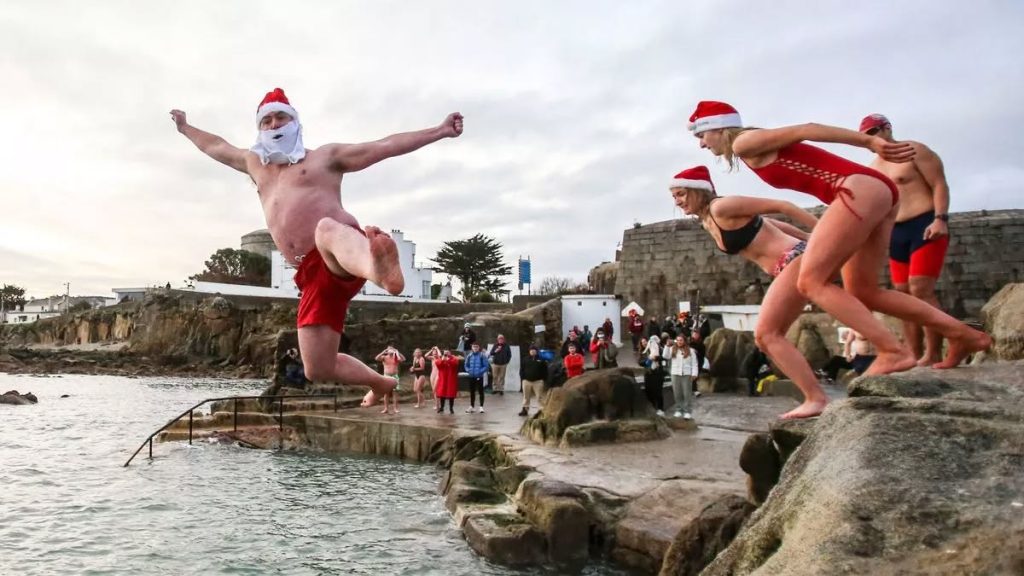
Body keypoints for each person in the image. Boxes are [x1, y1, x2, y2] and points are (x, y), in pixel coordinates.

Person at [171, 88, 463, 404]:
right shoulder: (254, 164)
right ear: (259, 128)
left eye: (280, 117)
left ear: (294, 121)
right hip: (310, 276)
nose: (273, 125)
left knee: (324, 228)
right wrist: (186, 128)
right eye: (266, 120)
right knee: (317, 367)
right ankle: (380, 383)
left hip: (340, 251)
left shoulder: (324, 157)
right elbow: (216, 146)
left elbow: (383, 146)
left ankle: (380, 270)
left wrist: (440, 130)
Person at [688, 100, 989, 376]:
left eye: (702, 135)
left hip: (853, 191)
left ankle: (891, 351)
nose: (702, 144)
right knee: (864, 291)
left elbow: (807, 130)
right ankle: (961, 333)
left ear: (718, 128)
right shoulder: (748, 146)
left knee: (810, 281)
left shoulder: (744, 141)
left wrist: (869, 141)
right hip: (874, 192)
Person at [671, 164, 829, 418]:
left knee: (766, 335)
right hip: (788, 263)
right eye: (674, 197)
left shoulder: (721, 207)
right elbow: (768, 224)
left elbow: (783, 206)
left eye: (681, 194)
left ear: (698, 191)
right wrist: (807, 238)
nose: (678, 201)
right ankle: (820, 394)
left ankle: (816, 397)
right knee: (856, 299)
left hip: (791, 259)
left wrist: (823, 234)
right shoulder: (707, 221)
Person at [861, 114, 952, 367]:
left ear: (887, 128)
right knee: (902, 295)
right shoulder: (873, 168)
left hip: (924, 223)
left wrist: (940, 219)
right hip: (896, 231)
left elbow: (939, 185)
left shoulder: (914, 151)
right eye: (866, 136)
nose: (871, 139)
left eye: (874, 132)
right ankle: (913, 353)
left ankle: (934, 352)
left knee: (921, 289)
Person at [664, 335, 699, 419]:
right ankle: (678, 409)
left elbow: (694, 363)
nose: (679, 342)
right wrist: (667, 346)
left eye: (681, 340)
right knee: (677, 393)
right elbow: (665, 356)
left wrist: (694, 374)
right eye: (678, 340)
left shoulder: (691, 351)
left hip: (686, 374)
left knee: (687, 393)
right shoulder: (672, 349)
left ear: (684, 341)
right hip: (675, 373)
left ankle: (687, 411)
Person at [519, 345, 549, 416]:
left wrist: (543, 379)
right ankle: (525, 409)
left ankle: (541, 410)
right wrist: (523, 378)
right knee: (526, 396)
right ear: (529, 351)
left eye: (534, 350)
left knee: (539, 397)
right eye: (531, 350)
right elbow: (522, 369)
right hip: (526, 381)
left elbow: (545, 370)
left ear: (536, 351)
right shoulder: (525, 359)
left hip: (538, 381)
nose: (532, 351)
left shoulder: (542, 360)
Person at [374, 345, 405, 415]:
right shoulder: (384, 357)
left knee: (395, 393)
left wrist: (397, 352)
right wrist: (383, 352)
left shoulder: (396, 357)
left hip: (395, 376)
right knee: (386, 393)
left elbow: (403, 359)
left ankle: (395, 408)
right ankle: (386, 408)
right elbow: (376, 358)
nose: (390, 351)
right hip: (386, 376)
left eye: (392, 349)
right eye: (389, 349)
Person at [642, 335, 666, 416]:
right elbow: (640, 361)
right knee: (649, 391)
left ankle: (660, 408)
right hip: (648, 374)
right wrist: (647, 360)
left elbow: (664, 358)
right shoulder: (644, 351)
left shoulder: (661, 349)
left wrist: (655, 358)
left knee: (658, 392)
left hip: (658, 373)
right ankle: (652, 407)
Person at [433, 349, 461, 414]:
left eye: (447, 352)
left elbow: (455, 364)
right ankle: (442, 407)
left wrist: (448, 360)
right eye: (445, 352)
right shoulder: (442, 358)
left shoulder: (454, 358)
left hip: (451, 379)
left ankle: (451, 408)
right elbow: (438, 364)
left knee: (451, 394)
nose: (446, 353)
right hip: (443, 379)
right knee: (442, 394)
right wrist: (443, 360)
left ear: (450, 352)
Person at [463, 342, 490, 413]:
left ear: (479, 348)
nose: (475, 348)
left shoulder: (482, 355)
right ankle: (472, 406)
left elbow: (486, 366)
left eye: (476, 347)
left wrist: (480, 371)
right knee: (472, 392)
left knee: (481, 391)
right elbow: (466, 365)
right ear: (472, 348)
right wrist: (469, 371)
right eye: (474, 347)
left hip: (479, 376)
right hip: (471, 376)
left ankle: (481, 407)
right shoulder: (469, 355)